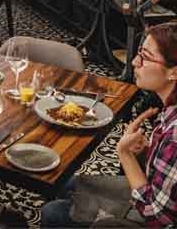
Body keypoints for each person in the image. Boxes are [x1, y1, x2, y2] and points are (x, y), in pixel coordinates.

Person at [42, 22, 177, 227]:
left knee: (52, 212)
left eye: (145, 57)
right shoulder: (168, 108)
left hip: (154, 215)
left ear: (173, 73)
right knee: (67, 185)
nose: (133, 62)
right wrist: (145, 151)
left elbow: (157, 215)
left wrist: (125, 154)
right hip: (154, 196)